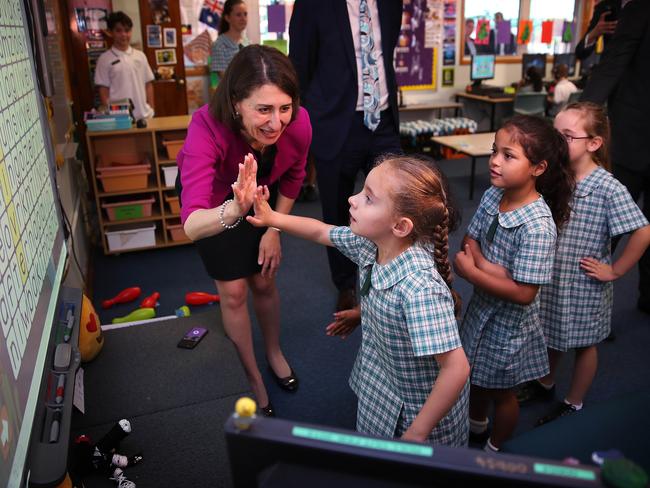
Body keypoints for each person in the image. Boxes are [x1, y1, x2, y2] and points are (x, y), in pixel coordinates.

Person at [248, 155, 470, 446]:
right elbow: (320, 231)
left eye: (368, 198)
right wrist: (272, 218)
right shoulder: (373, 243)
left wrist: (417, 432)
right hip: (383, 379)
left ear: (400, 226)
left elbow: (456, 369)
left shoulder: (420, 290)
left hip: (419, 409)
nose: (352, 199)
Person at [177, 45, 312, 416]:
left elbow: (294, 177)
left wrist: (274, 230)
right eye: (263, 109)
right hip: (213, 206)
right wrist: (234, 208)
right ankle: (252, 376)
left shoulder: (298, 124)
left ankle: (273, 351)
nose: (276, 122)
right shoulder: (206, 128)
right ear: (236, 102)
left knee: (265, 281)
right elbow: (191, 225)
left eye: (284, 108)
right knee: (234, 292)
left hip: (261, 199)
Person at [516, 103, 650, 424]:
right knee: (552, 331)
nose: (557, 143)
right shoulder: (556, 175)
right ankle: (545, 382)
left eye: (567, 136)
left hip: (585, 284)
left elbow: (642, 232)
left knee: (584, 344)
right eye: (555, 134)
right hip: (554, 276)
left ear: (593, 143)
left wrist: (615, 271)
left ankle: (573, 402)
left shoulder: (608, 188)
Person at [454, 115, 574, 452]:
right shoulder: (495, 194)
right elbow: (470, 240)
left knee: (501, 393)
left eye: (508, 156)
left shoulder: (537, 226)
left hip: (509, 327)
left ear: (538, 168)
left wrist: (474, 271)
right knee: (473, 373)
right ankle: (476, 427)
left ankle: (494, 448)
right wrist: (494, 270)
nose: (494, 161)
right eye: (495, 151)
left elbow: (524, 292)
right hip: (482, 309)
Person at [289, 0, 403, 312]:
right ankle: (346, 284)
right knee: (339, 211)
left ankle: (391, 278)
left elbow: (385, 54)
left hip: (383, 121)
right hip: (336, 124)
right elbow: (298, 66)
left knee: (398, 203)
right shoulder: (313, 5)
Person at [582, 0, 650, 313]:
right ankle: (591, 307)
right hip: (632, 132)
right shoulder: (630, 8)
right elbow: (613, 60)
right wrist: (582, 117)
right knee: (608, 224)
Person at [94, 12, 154, 120]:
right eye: (118, 30)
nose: (124, 35)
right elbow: (103, 90)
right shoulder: (104, 59)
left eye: (127, 30)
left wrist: (152, 109)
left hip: (145, 116)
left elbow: (148, 84)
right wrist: (111, 115)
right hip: (120, 119)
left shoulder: (140, 56)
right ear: (111, 32)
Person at [210, 0, 249, 81]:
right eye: (238, 15)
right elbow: (224, 78)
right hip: (230, 92)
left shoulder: (247, 42)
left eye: (245, 14)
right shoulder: (219, 45)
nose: (243, 18)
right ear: (227, 18)